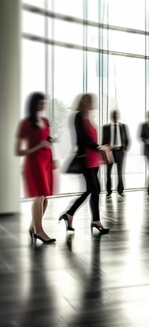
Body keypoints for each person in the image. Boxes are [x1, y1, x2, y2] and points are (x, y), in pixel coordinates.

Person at [60, 93, 111, 234]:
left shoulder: (88, 117)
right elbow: (82, 140)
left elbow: (92, 139)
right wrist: (99, 147)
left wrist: (101, 147)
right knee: (94, 190)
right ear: (86, 103)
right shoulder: (78, 116)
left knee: (93, 190)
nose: (94, 104)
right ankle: (94, 220)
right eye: (91, 102)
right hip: (86, 160)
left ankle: (71, 214)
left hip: (94, 160)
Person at [15, 92, 56, 244]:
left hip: (46, 161)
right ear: (33, 104)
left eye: (43, 102)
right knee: (39, 196)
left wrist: (49, 143)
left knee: (45, 199)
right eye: (39, 102)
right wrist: (37, 146)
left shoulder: (45, 120)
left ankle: (33, 227)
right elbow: (18, 150)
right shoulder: (25, 123)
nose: (42, 105)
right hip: (34, 162)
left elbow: (45, 139)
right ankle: (39, 231)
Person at [102, 110, 129, 198]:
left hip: (120, 152)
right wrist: (106, 152)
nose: (115, 116)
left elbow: (127, 140)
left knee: (120, 173)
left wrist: (125, 149)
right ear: (111, 116)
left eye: (117, 114)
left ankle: (120, 191)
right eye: (114, 115)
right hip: (110, 152)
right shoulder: (106, 127)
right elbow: (103, 142)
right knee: (108, 173)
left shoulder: (123, 127)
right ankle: (108, 192)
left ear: (119, 116)